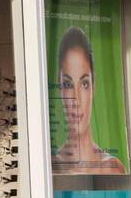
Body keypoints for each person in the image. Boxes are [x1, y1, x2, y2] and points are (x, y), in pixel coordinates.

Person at [52, 26, 126, 174]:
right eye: (68, 84)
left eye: (84, 84)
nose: (76, 100)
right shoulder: (50, 167)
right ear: (59, 87)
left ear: (94, 86)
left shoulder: (112, 169)